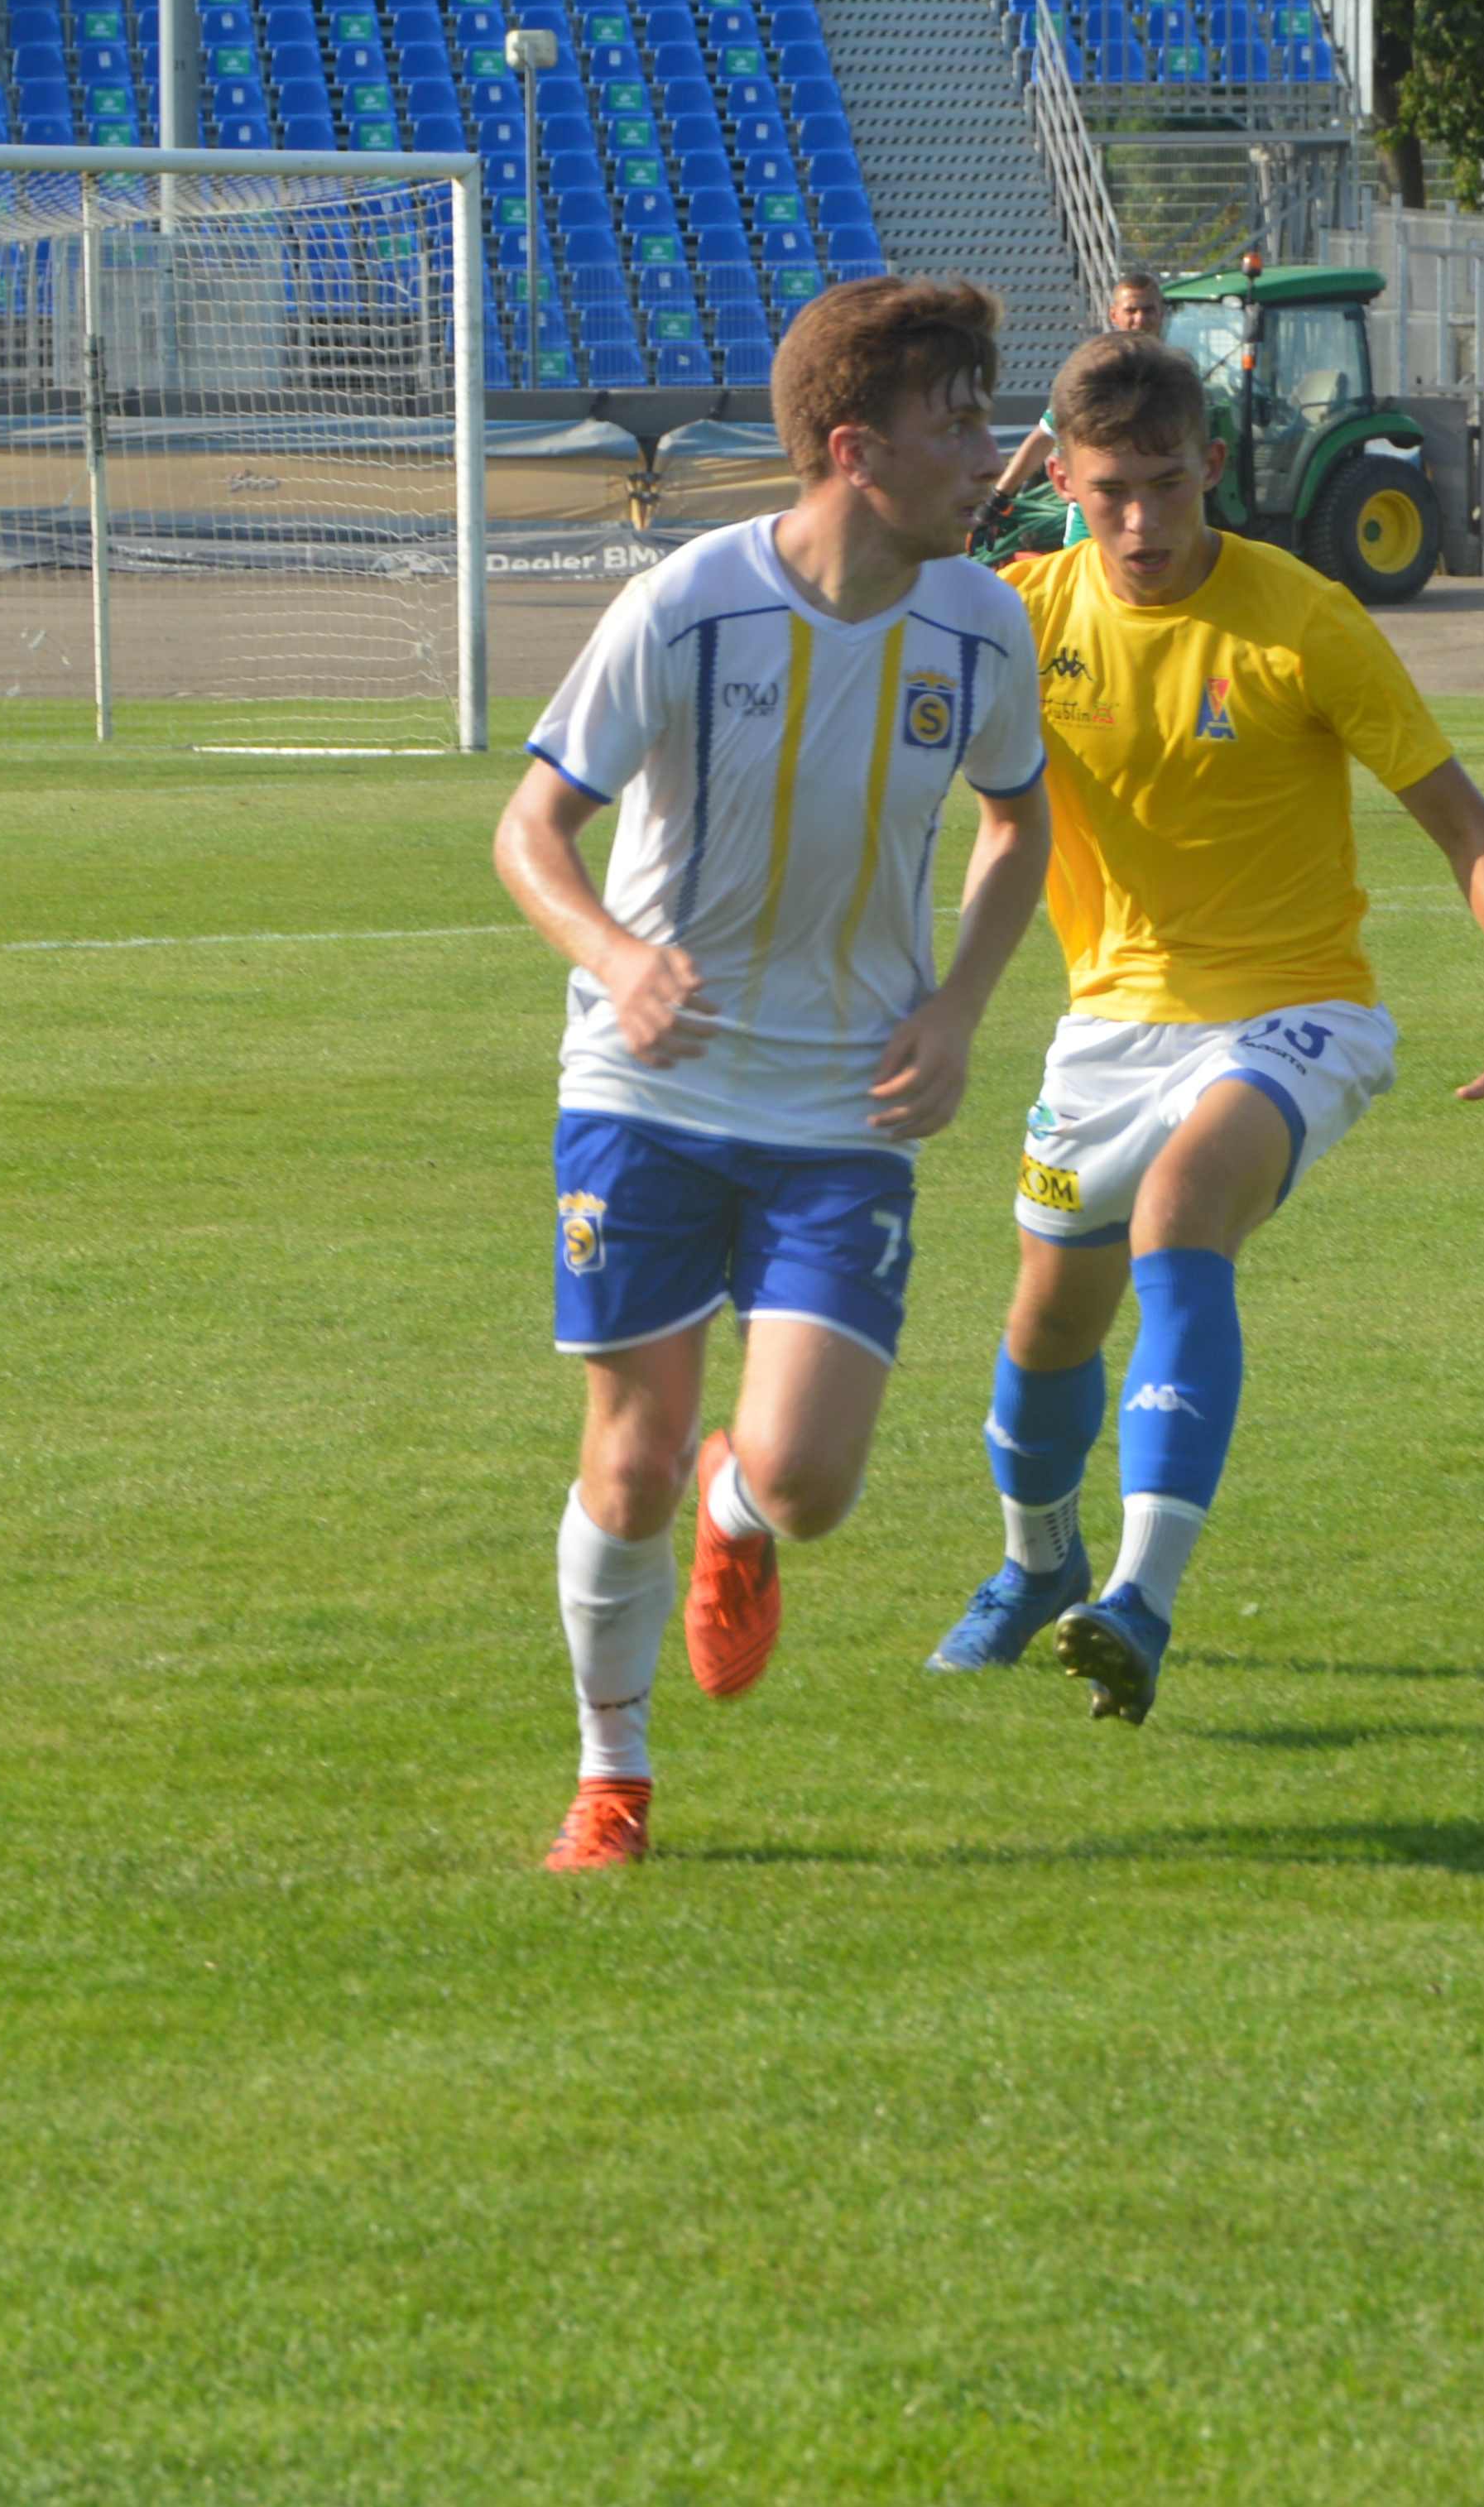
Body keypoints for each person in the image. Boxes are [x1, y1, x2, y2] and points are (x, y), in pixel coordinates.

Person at [924, 331, 1484, 1722]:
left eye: (1166, 485)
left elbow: (1465, 826)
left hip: (1296, 1013)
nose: (1139, 521)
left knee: (1180, 1213)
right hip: (1106, 1025)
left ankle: (1142, 1600)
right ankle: (1037, 1564)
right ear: (1062, 480)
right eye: (1107, 489)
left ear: (1208, 468)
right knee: (1048, 1327)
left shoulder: (1301, 618)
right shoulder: (1011, 615)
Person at [496, 276, 1053, 1868]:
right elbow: (528, 831)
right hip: (647, 1093)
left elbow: (1018, 822)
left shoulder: (981, 622)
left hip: (840, 1109)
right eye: (957, 426)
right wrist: (615, 959)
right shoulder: (687, 604)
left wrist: (954, 1008)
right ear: (853, 448)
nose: (988, 455)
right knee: (630, 1452)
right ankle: (613, 1778)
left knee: (802, 1479)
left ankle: (739, 1516)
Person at [975, 267, 1169, 552]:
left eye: (1148, 310)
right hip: (1090, 539)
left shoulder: (1177, 378)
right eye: (1132, 311)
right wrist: (998, 500)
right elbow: (1044, 437)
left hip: (1157, 531)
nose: (1140, 320)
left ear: (1162, 313)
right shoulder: (1093, 372)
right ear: (1114, 315)